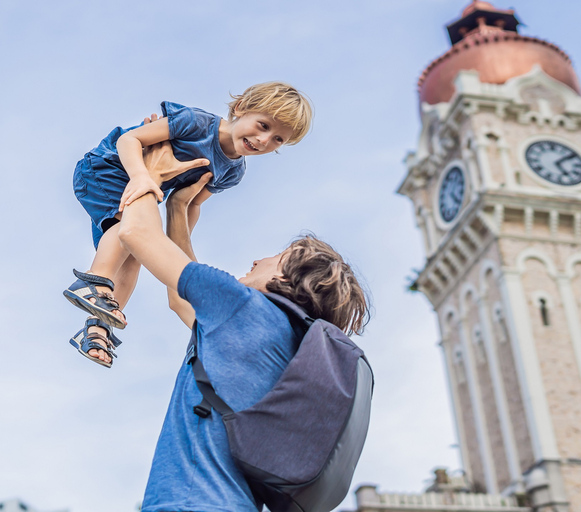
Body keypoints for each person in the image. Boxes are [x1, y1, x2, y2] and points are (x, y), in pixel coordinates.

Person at [115, 138, 370, 511]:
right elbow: (180, 298)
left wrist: (147, 172)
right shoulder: (287, 342)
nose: (259, 259)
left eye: (276, 256)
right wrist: (178, 208)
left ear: (288, 274)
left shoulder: (238, 304)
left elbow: (135, 234)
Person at [64, 82, 314, 368]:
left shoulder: (232, 171)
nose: (263, 140)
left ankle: (98, 328)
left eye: (278, 140)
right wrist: (139, 176)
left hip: (143, 189)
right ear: (242, 108)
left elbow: (192, 203)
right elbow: (129, 140)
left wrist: (171, 249)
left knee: (135, 252)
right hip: (107, 168)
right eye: (263, 125)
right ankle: (94, 282)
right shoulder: (197, 124)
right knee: (127, 229)